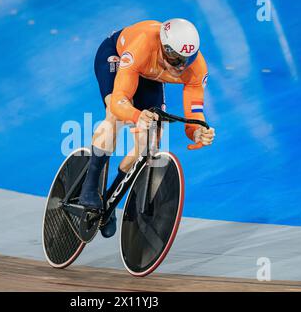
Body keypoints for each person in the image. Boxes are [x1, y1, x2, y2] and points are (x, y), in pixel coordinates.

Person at [79, 18, 216, 238]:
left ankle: (109, 199)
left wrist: (197, 131)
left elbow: (194, 113)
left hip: (149, 72)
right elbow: (120, 100)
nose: (181, 66)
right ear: (164, 46)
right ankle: (90, 186)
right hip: (117, 56)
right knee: (115, 116)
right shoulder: (142, 45)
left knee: (149, 144)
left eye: (186, 60)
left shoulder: (196, 68)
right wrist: (136, 115)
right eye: (176, 58)